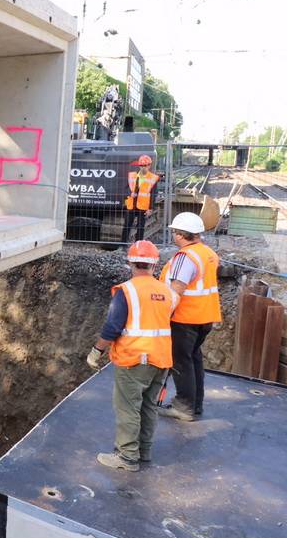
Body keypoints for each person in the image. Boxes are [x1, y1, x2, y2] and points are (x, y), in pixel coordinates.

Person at [86, 240, 176, 471]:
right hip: (162, 359)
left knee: (128, 407)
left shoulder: (127, 291)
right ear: (155, 265)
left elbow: (112, 328)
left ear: (130, 263)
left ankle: (126, 457)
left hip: (135, 359)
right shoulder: (166, 292)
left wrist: (96, 351)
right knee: (148, 406)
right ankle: (143, 451)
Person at [159, 212, 221, 421]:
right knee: (194, 360)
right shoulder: (207, 252)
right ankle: (195, 406)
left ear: (180, 235)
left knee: (180, 362)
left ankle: (184, 407)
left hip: (185, 318)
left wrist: (162, 313)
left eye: (175, 232)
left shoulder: (185, 257)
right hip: (205, 317)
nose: (174, 236)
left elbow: (176, 289)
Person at [121, 155, 160, 243]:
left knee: (140, 227)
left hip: (143, 206)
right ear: (139, 166)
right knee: (127, 225)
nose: (143, 168)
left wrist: (150, 208)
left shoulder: (153, 178)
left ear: (149, 166)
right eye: (142, 166)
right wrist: (130, 193)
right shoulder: (132, 176)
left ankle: (138, 245)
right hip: (131, 205)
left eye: (145, 165)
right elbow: (125, 189)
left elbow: (153, 194)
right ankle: (122, 245)